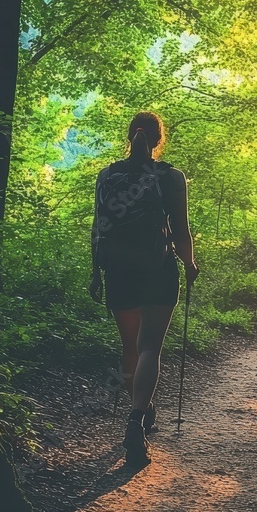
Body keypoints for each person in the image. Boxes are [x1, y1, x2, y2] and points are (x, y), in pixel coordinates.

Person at [88, 111, 199, 466]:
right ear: (158, 139)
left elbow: (98, 227)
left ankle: (143, 406)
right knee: (150, 347)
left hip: (118, 271)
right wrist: (190, 263)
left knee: (130, 348)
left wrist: (95, 274)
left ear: (130, 136)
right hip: (158, 270)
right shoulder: (171, 177)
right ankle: (136, 419)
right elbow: (180, 230)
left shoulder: (108, 175)